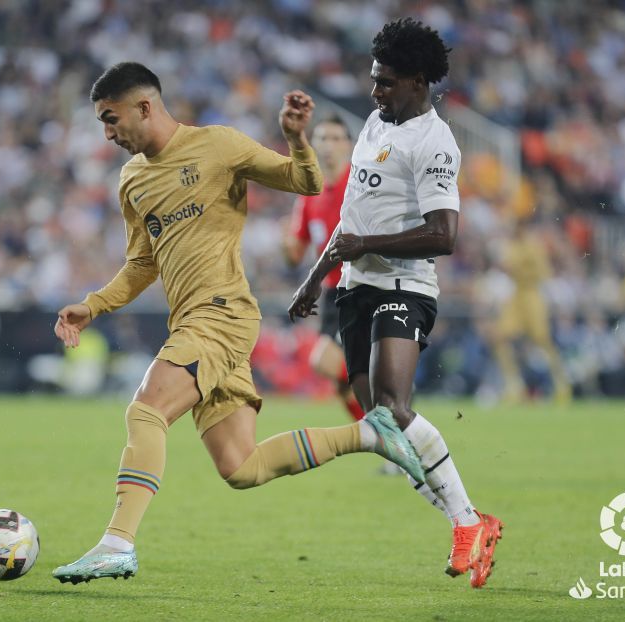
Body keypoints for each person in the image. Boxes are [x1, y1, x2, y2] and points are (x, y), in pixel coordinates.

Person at [51, 62, 426, 584]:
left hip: (221, 314)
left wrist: (296, 138)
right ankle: (370, 435)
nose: (107, 133)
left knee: (147, 410)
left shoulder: (219, 146)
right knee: (241, 466)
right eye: (101, 123)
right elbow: (142, 263)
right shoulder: (133, 179)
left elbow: (307, 181)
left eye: (110, 119)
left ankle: (117, 542)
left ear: (144, 106)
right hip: (195, 322)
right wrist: (93, 305)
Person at [289, 18, 503, 588]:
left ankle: (463, 524)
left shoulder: (435, 142)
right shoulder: (374, 127)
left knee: (394, 404)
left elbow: (444, 235)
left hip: (406, 285)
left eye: (384, 81)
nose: (375, 90)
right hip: (354, 285)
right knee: (383, 427)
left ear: (416, 81)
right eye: (373, 79)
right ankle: (472, 520)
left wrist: (368, 246)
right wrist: (315, 279)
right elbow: (348, 220)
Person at [282, 115, 364, 421]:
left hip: (360, 287)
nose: (328, 146)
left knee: (325, 362)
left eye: (335, 138)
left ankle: (389, 396)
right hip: (331, 294)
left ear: (349, 145)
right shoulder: (309, 195)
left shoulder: (359, 185)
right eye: (322, 139)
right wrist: (284, 242)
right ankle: (387, 440)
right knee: (343, 384)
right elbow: (295, 253)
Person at [491, 218, 572, 403]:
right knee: (499, 337)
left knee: (543, 340)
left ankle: (561, 385)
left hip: (532, 294)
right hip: (517, 294)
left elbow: (544, 272)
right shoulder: (512, 245)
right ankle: (514, 386)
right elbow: (506, 267)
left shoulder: (533, 245)